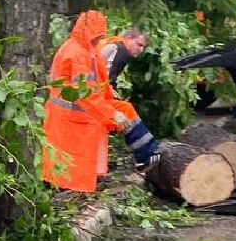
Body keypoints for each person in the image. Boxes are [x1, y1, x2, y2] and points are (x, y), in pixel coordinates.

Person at [42, 10, 159, 194]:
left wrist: (110, 103)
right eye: (97, 35)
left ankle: (147, 155)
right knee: (71, 161)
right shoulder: (78, 53)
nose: (99, 39)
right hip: (72, 114)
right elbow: (85, 93)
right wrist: (111, 112)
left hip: (75, 110)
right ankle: (146, 155)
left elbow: (96, 83)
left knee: (125, 110)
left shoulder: (83, 48)